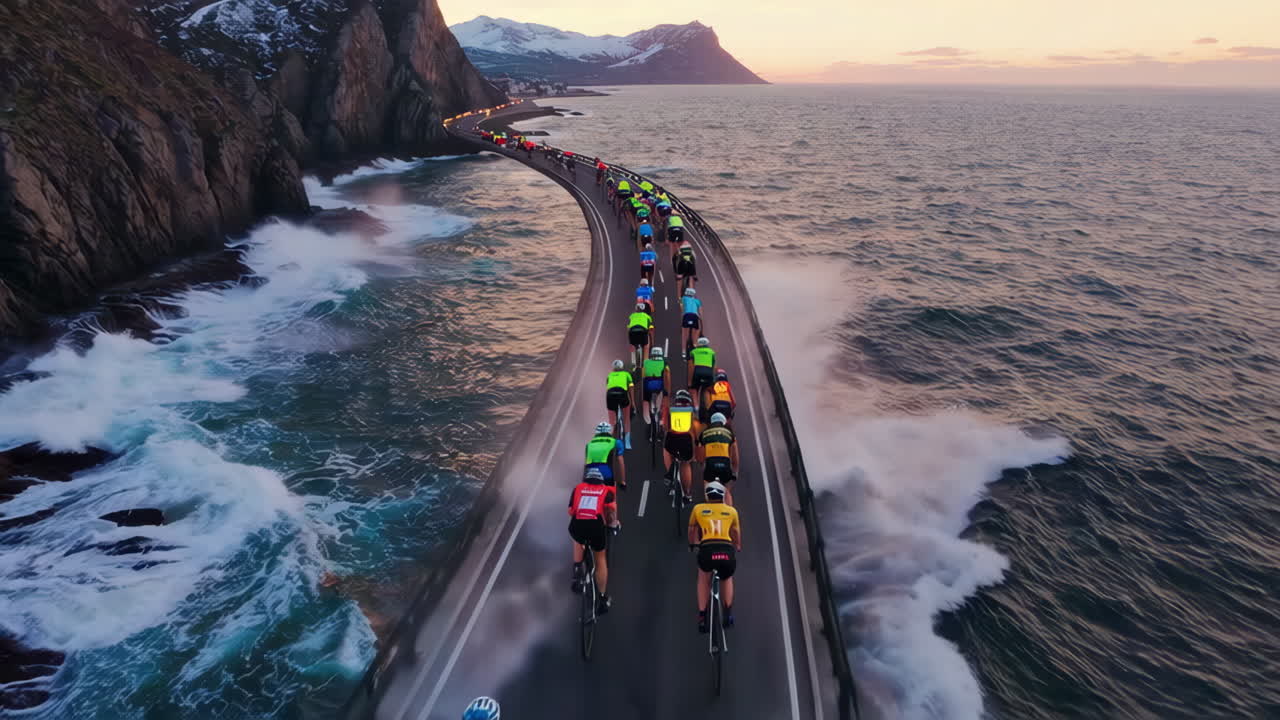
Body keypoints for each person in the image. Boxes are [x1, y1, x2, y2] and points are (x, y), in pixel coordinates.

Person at [688, 481, 740, 633]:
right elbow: (736, 533)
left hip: (707, 550)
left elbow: (691, 529)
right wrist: (737, 545)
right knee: (727, 577)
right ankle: (728, 613)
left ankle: (703, 616)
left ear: (707, 496)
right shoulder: (731, 511)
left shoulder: (698, 509)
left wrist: (693, 544)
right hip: (726, 551)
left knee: (703, 578)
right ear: (723, 496)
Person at [569, 467, 617, 615]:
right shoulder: (606, 490)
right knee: (600, 558)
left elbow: (571, 511)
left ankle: (577, 569)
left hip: (579, 524)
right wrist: (612, 525)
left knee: (577, 537)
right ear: (600, 481)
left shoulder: (577, 488)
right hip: (595, 524)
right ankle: (602, 598)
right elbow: (610, 511)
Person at [697, 412, 738, 504]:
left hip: (710, 465)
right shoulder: (730, 434)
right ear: (723, 422)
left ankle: (709, 506)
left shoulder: (704, 433)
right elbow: (735, 456)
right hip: (725, 465)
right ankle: (729, 514)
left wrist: (702, 465)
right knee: (727, 491)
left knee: (708, 489)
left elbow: (700, 457)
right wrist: (735, 471)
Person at [664, 389, 697, 503]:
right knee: (686, 463)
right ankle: (687, 494)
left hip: (672, 439)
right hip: (686, 440)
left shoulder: (671, 410)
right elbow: (693, 430)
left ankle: (670, 473)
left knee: (667, 450)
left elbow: (666, 428)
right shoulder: (691, 412)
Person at [585, 421, 626, 490]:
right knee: (610, 496)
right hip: (606, 474)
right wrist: (622, 481)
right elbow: (620, 461)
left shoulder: (589, 445)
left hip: (589, 474)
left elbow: (586, 463)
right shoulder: (616, 442)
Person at [605, 359, 634, 448]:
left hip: (610, 395)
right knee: (626, 419)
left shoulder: (609, 375)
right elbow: (631, 388)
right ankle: (628, 442)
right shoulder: (626, 374)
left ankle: (612, 442)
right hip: (622, 394)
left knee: (612, 421)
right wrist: (633, 403)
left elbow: (608, 388)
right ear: (622, 367)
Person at [641, 346, 670, 426]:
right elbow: (667, 374)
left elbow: (642, 375)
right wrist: (667, 390)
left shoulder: (646, 362)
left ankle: (647, 418)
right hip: (658, 384)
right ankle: (657, 409)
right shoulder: (664, 362)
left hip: (648, 384)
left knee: (646, 398)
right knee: (661, 393)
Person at [688, 337, 716, 409]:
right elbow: (714, 367)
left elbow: (691, 367)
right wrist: (713, 379)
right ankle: (708, 409)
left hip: (697, 372)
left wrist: (690, 382)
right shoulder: (712, 352)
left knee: (694, 390)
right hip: (708, 373)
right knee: (706, 390)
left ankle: (696, 408)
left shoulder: (693, 352)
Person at [680, 287, 702, 357]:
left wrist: (682, 315)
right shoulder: (697, 301)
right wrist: (701, 319)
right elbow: (701, 313)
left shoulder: (683, 298)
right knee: (697, 329)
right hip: (694, 316)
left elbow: (682, 308)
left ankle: (683, 351)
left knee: (684, 333)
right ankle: (695, 343)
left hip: (686, 315)